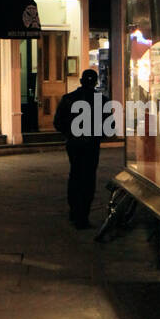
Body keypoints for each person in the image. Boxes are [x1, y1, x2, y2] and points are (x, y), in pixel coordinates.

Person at [54, 68, 101, 229]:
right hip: (92, 145)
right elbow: (110, 127)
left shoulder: (68, 99)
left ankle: (74, 211)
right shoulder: (102, 100)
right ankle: (83, 215)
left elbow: (58, 123)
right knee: (88, 178)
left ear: (81, 82)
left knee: (75, 175)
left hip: (74, 144)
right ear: (95, 82)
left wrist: (70, 133)